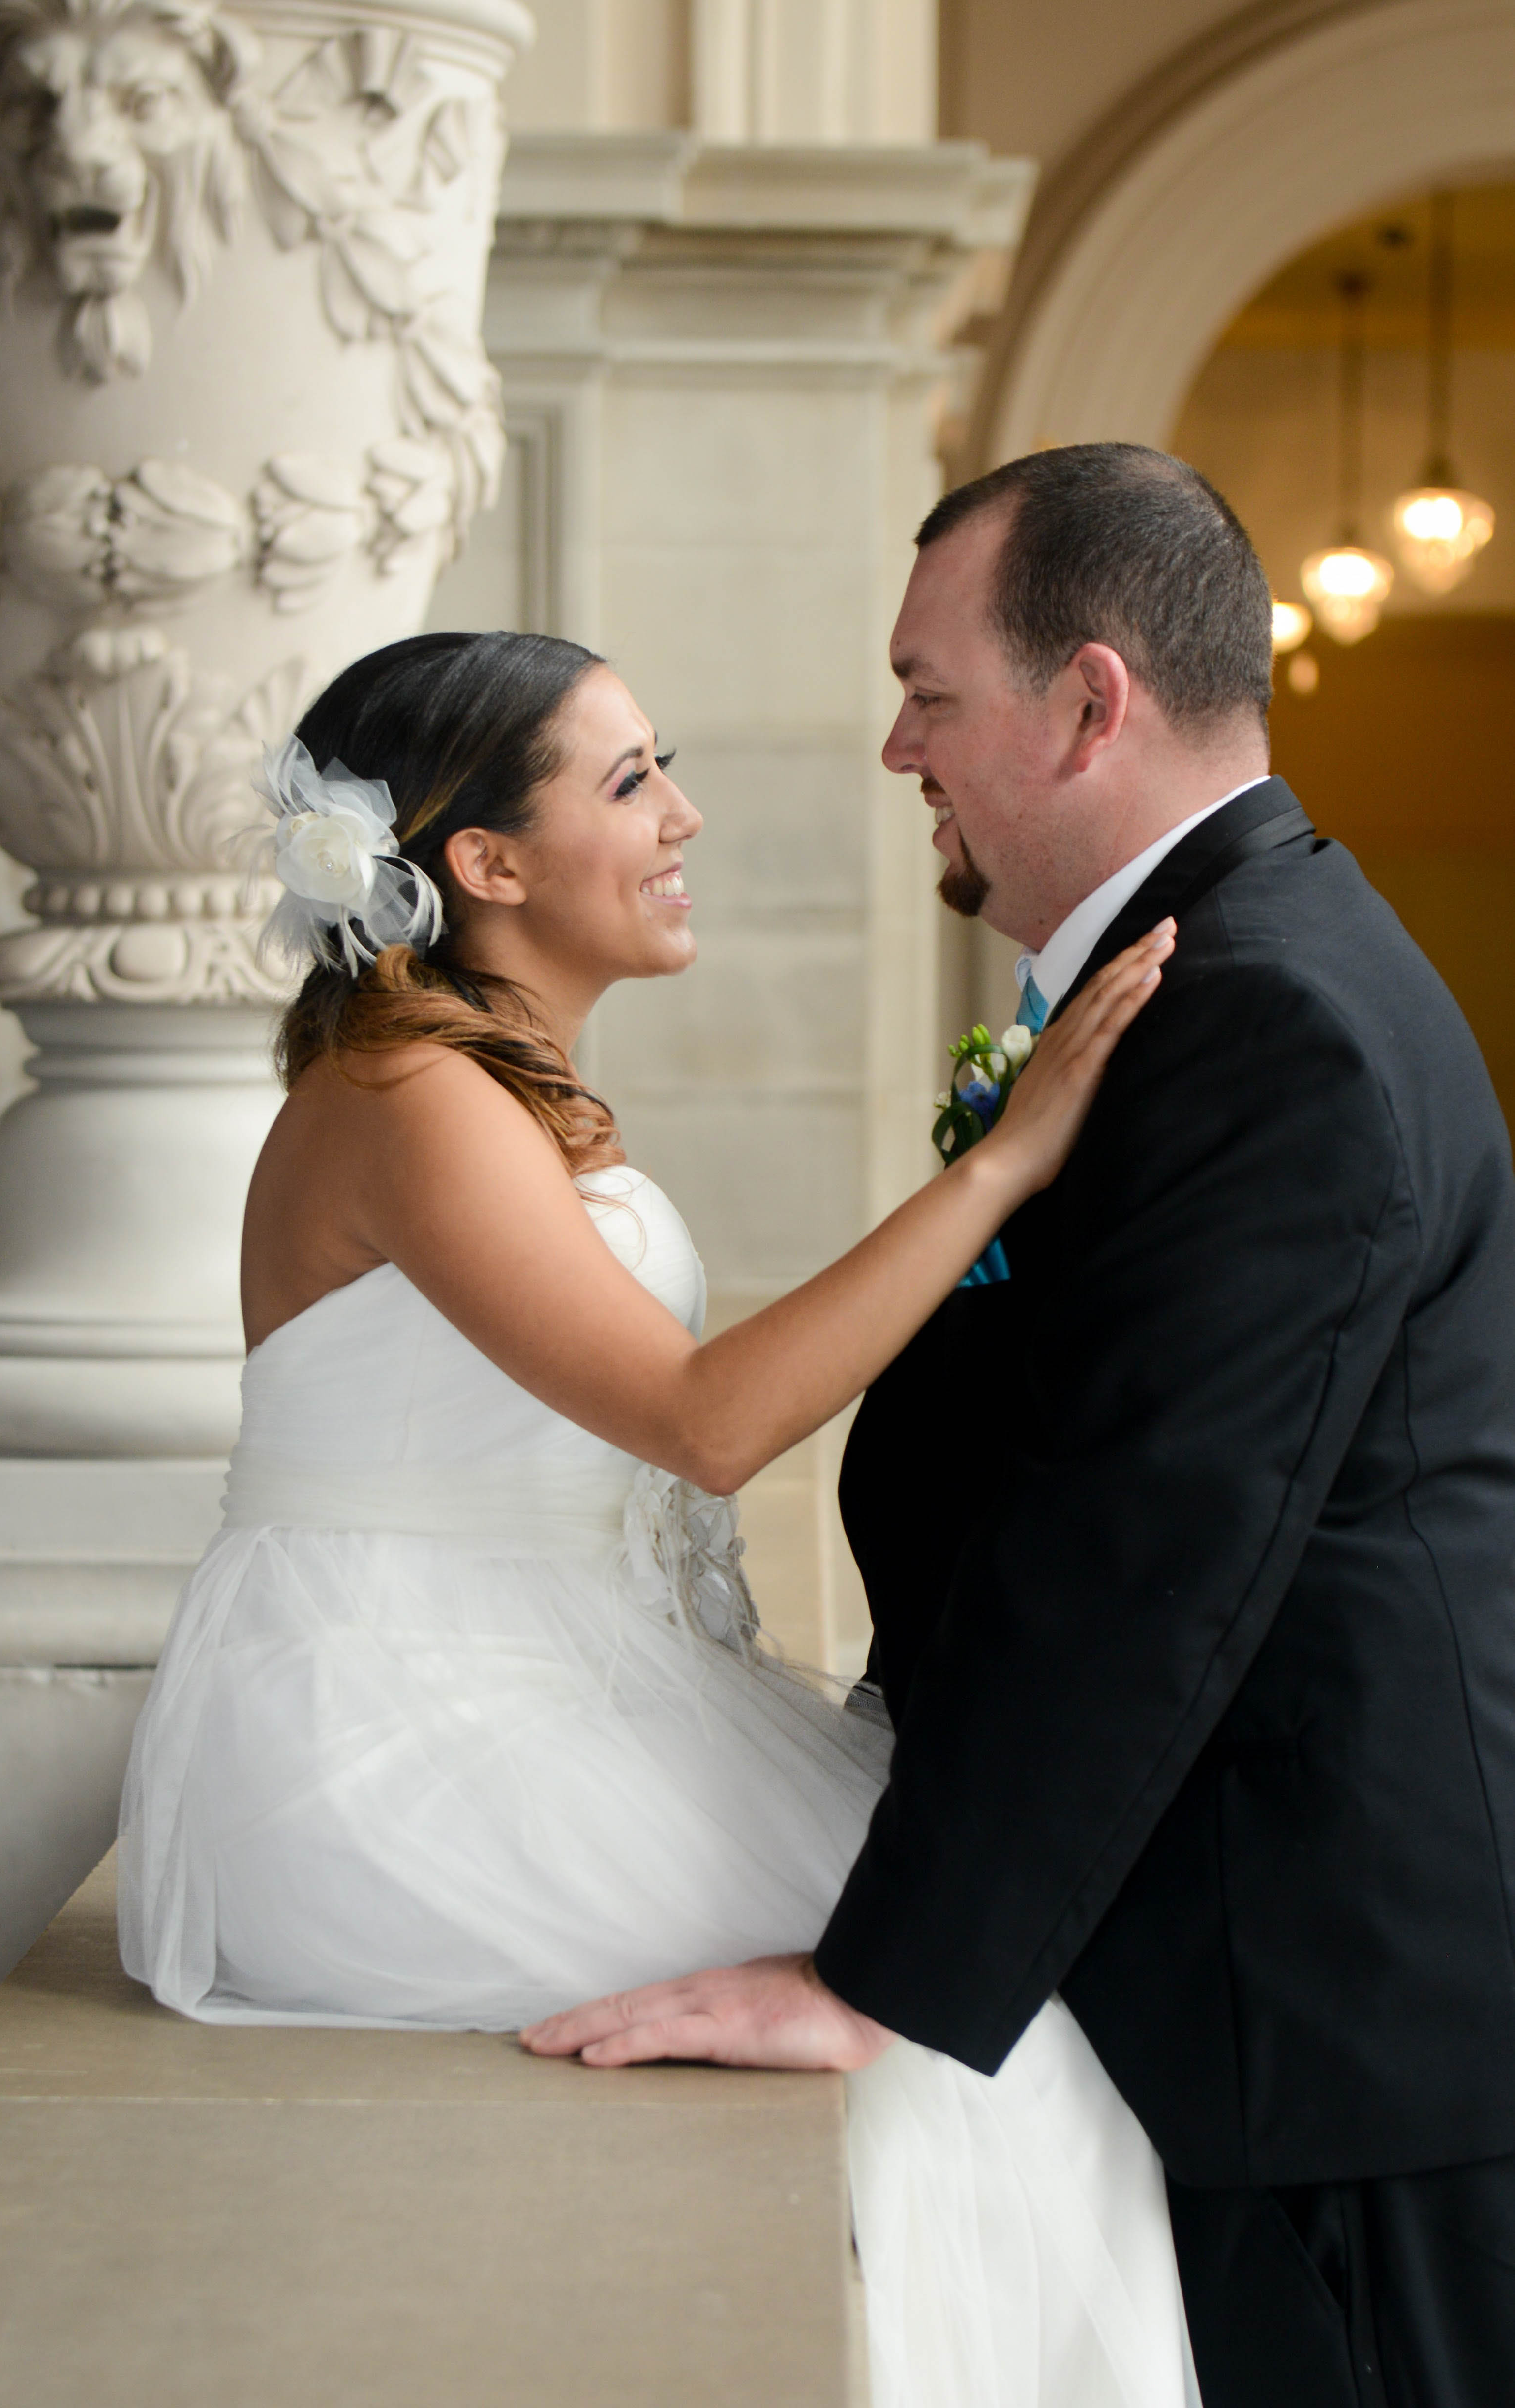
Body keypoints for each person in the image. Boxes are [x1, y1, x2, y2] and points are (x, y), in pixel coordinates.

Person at [529, 445, 1515, 2408]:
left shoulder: (1267, 1018)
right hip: (1245, 1966)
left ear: (1088, 703)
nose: (898, 751)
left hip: (1314, 1993)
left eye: (928, 694)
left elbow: (1152, 1543)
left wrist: (877, 1980)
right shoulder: (1211, 974)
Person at [117, 624, 1193, 2407]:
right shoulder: (408, 1092)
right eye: (630, 782)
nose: (685, 814)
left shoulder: (483, 1085)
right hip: (394, 1729)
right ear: (486, 863)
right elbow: (707, 1427)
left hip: (547, 1682)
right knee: (963, 2019)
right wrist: (1007, 1162)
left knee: (995, 1976)